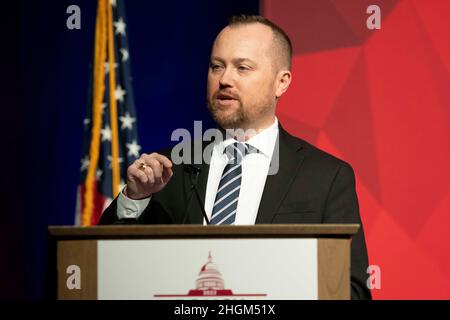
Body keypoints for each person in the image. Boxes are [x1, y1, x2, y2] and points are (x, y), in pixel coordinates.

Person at [99, 15, 371, 299]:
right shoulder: (171, 168)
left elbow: (352, 291)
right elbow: (110, 270)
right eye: (216, 66)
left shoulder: (325, 176)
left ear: (282, 82)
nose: (224, 79)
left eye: (242, 68)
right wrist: (135, 198)